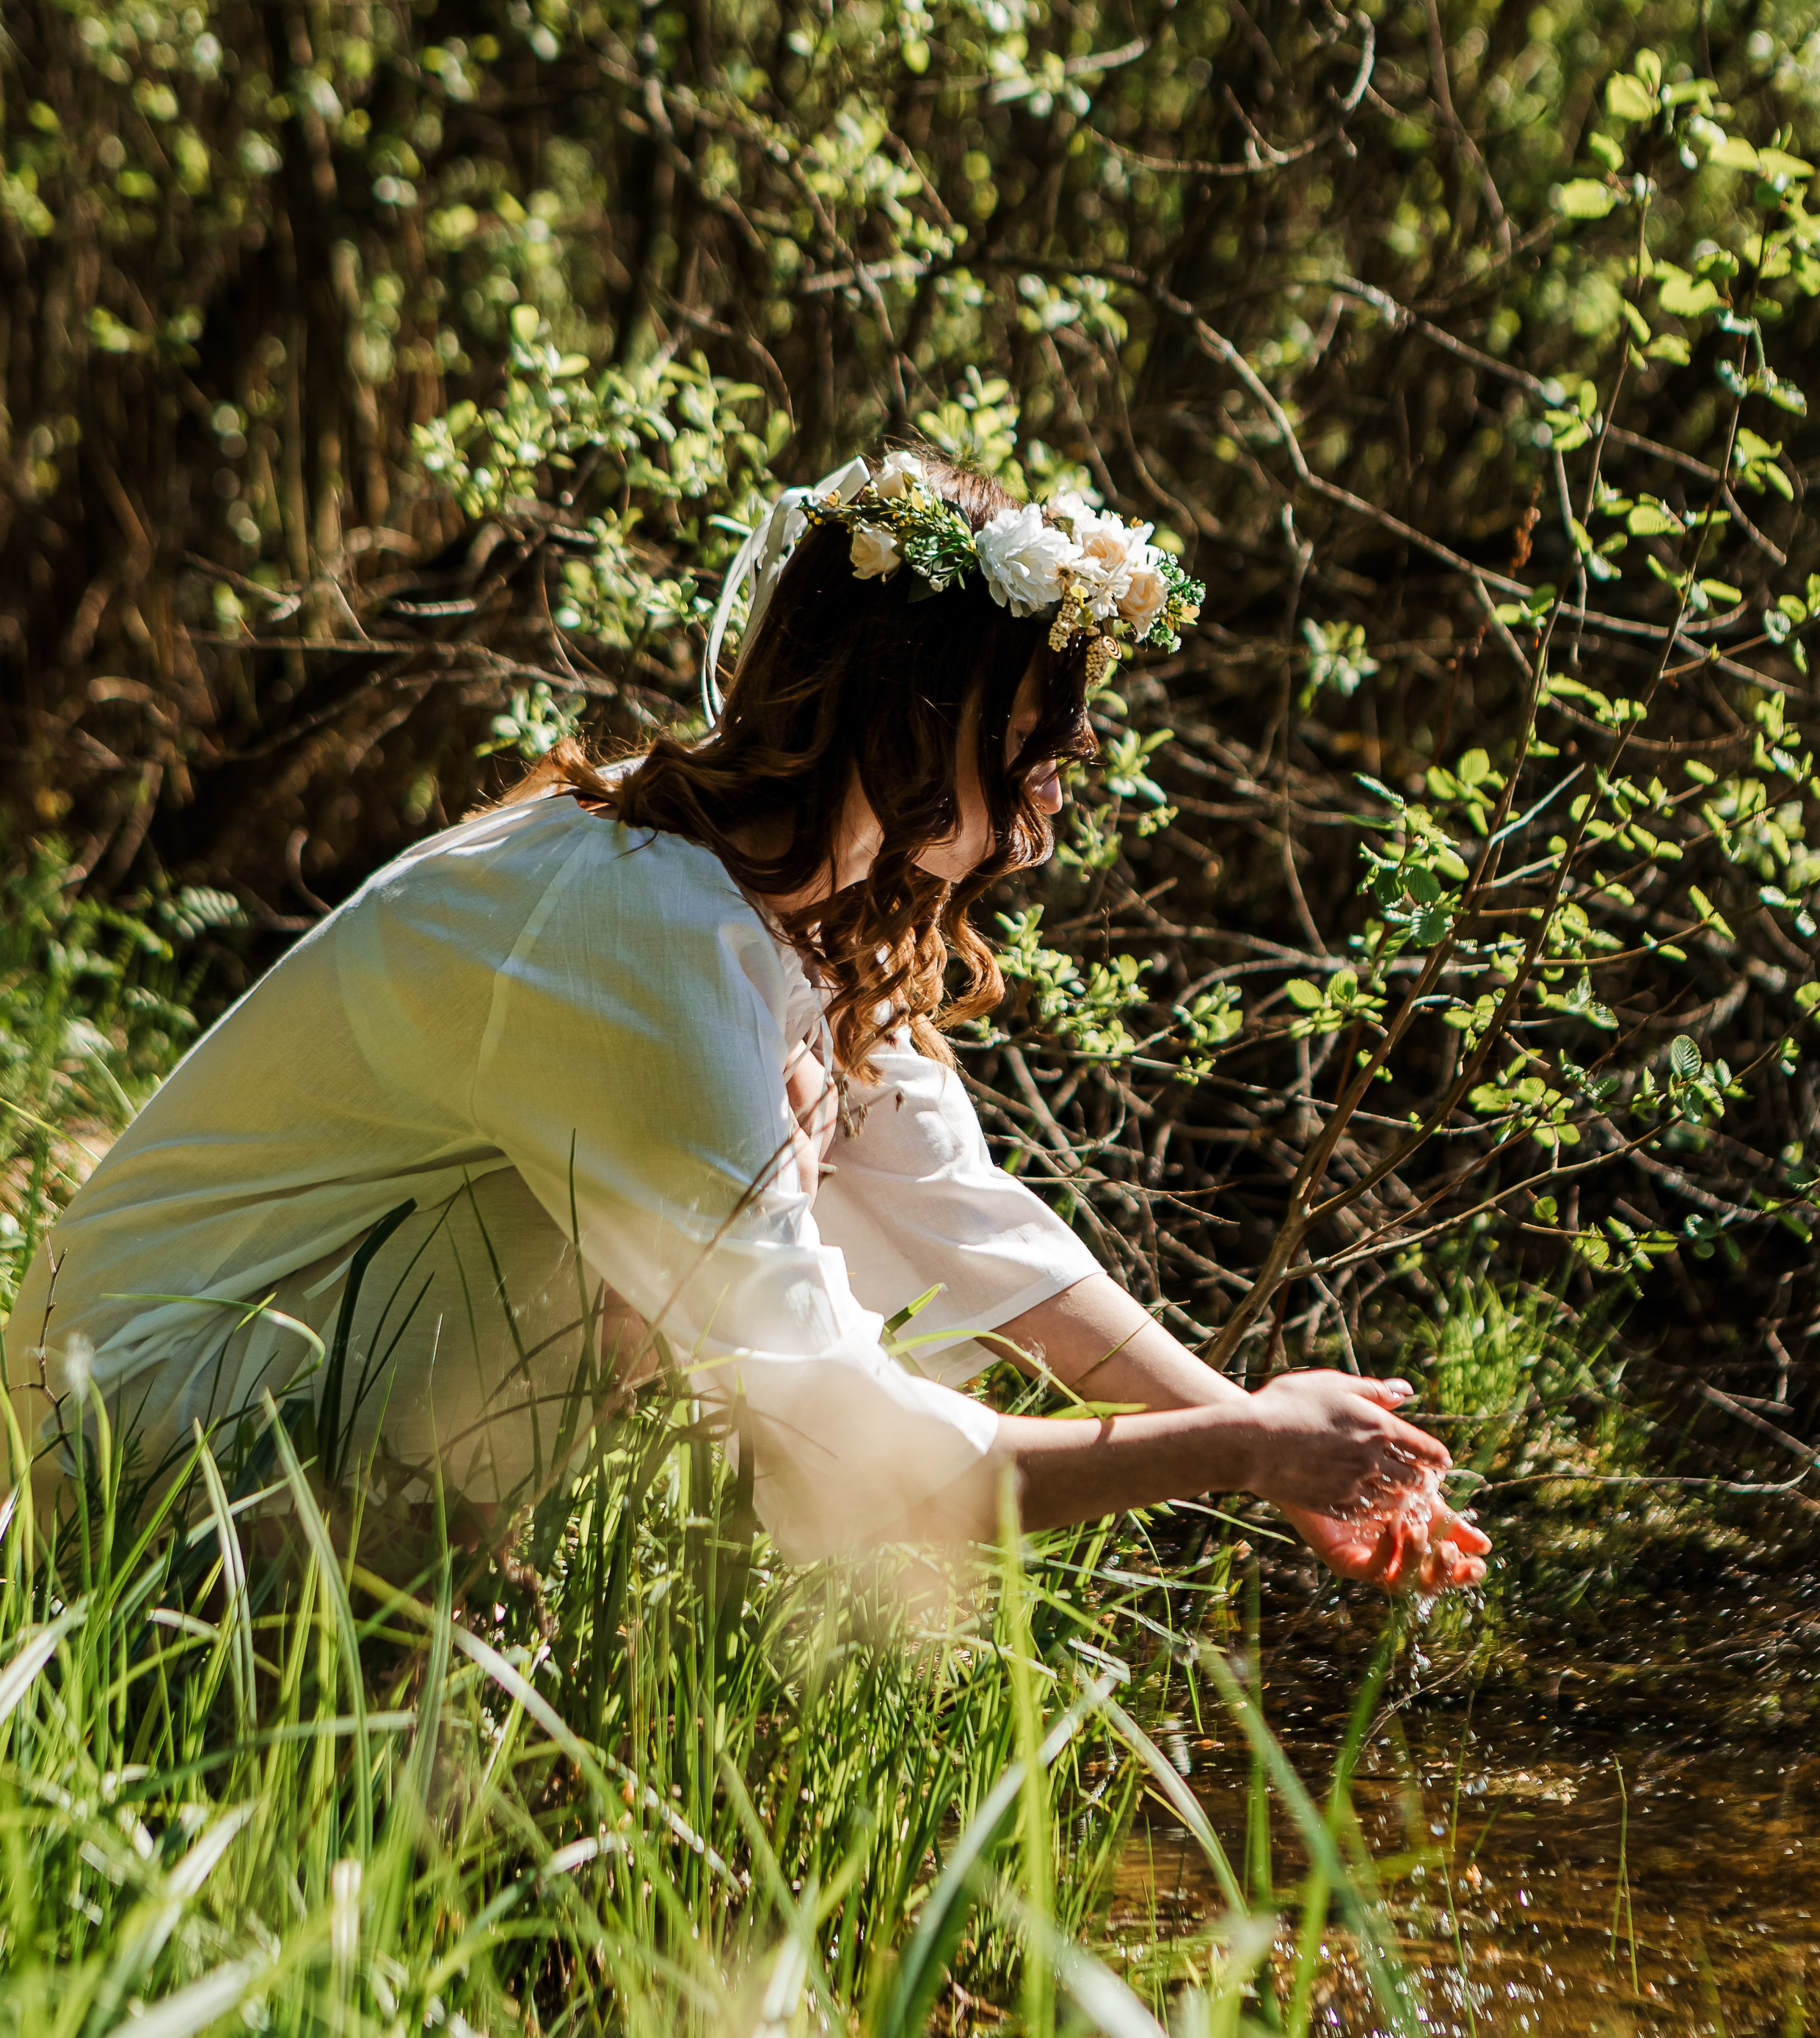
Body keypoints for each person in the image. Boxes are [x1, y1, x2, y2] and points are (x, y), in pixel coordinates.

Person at [1, 450, 1486, 1591]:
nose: (1072, 755)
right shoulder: (636, 927)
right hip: (142, 1436)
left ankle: (429, 1613)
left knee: (777, 1188)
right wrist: (1233, 1449)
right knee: (711, 1275)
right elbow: (855, 1437)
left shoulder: (799, 900)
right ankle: (361, 1640)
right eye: (1038, 722)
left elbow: (969, 1226)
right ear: (911, 716)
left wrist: (1268, 1430)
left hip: (271, 1405)